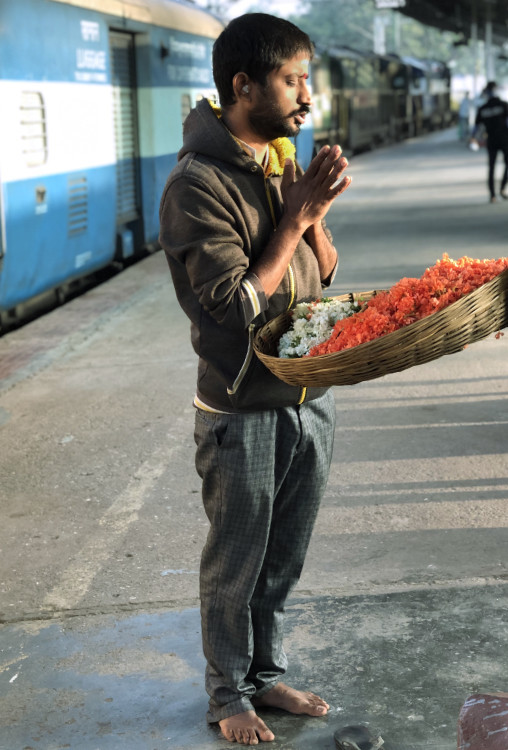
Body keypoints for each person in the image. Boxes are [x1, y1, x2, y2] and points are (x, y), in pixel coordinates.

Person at [159, 13, 351, 745]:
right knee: (235, 563)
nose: (308, 98)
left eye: (308, 81)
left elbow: (323, 272)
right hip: (241, 409)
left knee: (283, 558)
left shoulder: (276, 158)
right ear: (243, 85)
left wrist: (315, 213)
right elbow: (234, 308)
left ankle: (265, 677)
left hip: (308, 397)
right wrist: (293, 220)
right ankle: (226, 694)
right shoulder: (196, 184)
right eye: (293, 81)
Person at [472, 81, 508, 202]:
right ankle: (501, 189)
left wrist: (474, 138)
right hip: (504, 139)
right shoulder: (503, 105)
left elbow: (477, 127)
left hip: (492, 140)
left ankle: (493, 195)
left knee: (491, 167)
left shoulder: (483, 108)